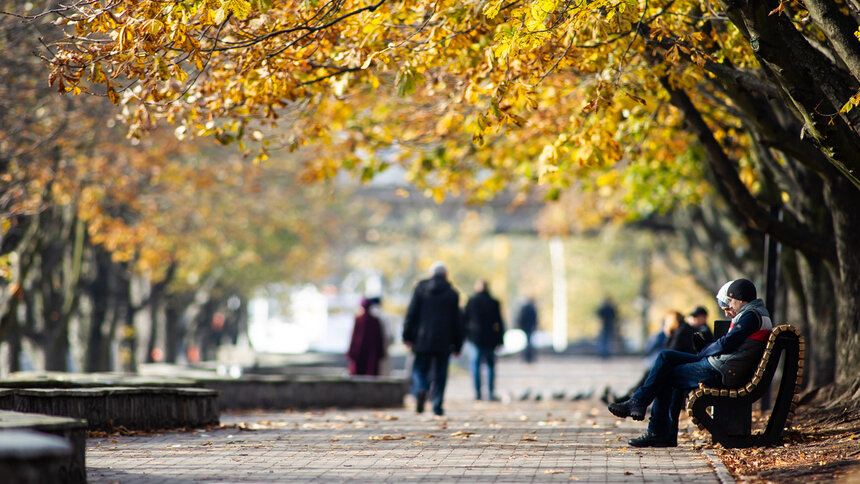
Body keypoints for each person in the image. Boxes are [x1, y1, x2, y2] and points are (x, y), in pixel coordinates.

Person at [607, 278, 773, 447]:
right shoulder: (755, 314)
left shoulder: (751, 316)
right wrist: (707, 348)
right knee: (665, 357)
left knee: (665, 375)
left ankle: (656, 429)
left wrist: (704, 351)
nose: (728, 307)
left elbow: (727, 343)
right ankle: (639, 405)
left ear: (740, 299)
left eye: (730, 302)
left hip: (723, 370)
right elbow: (730, 344)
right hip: (722, 364)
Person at [402, 262, 464, 416]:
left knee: (419, 370)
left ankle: (421, 389)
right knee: (441, 373)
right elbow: (457, 321)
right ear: (446, 275)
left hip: (422, 340)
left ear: (430, 275)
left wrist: (407, 336)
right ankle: (437, 405)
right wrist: (458, 345)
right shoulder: (452, 294)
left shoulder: (421, 290)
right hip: (444, 341)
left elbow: (411, 314)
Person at [464, 279, 505, 401]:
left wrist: (466, 335)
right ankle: (491, 392)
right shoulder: (494, 302)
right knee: (490, 366)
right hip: (491, 339)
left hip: (475, 338)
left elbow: (464, 319)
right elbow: (499, 322)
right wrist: (500, 339)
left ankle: (477, 393)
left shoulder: (472, 301)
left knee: (475, 366)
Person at [347, 297, 387, 376]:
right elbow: (379, 339)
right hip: (371, 354)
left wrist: (351, 353)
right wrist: (380, 353)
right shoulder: (375, 321)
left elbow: (354, 338)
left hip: (360, 352)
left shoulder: (359, 320)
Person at [515, 297, 538, 363]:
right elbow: (534, 319)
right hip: (530, 328)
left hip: (525, 328)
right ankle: (529, 357)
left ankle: (526, 357)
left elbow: (520, 318)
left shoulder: (524, 309)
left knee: (527, 343)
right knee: (529, 343)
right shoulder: (532, 309)